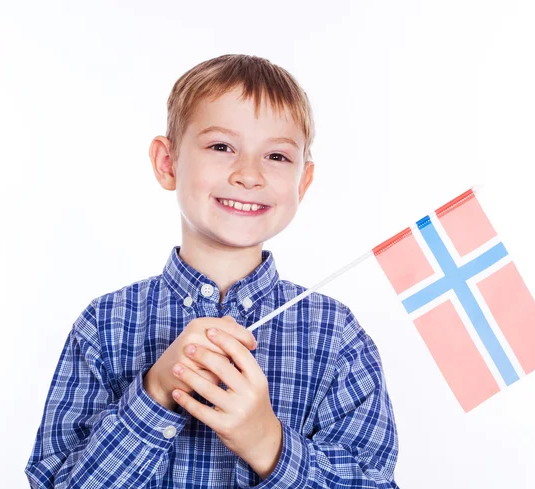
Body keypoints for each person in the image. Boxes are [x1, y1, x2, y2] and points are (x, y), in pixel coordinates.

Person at [24, 54, 400, 488]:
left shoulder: (336, 336)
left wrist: (266, 443)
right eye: (222, 147)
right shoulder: (104, 324)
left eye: (276, 156)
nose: (248, 174)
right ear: (168, 163)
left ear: (303, 181)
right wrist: (157, 391)